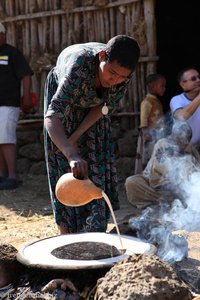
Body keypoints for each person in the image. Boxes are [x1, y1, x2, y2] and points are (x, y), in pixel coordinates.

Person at [44, 35, 140, 234]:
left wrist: (76, 135)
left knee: (96, 167)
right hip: (64, 109)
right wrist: (71, 152)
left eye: (122, 77)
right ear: (102, 56)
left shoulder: (122, 75)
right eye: (112, 73)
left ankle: (96, 233)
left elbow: (103, 107)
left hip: (94, 112)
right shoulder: (78, 67)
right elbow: (52, 116)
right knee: (66, 168)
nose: (115, 81)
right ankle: (66, 236)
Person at [125, 120, 200, 209]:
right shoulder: (163, 144)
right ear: (173, 137)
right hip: (157, 189)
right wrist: (175, 189)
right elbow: (156, 175)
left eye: (186, 141)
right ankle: (167, 201)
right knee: (131, 182)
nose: (183, 145)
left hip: (182, 192)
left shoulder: (191, 151)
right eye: (180, 140)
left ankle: (170, 202)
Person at [0, 22, 33, 190]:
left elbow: (26, 75)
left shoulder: (12, 53)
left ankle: (13, 176)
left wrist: (26, 96)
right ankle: (2, 175)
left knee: (6, 138)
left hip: (8, 103)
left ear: (3, 34)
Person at [134, 73, 166, 174]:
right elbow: (143, 119)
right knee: (148, 156)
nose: (164, 88)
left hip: (156, 135)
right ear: (153, 86)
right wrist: (145, 133)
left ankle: (154, 176)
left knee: (156, 156)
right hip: (149, 136)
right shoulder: (147, 102)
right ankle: (146, 177)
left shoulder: (156, 101)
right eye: (162, 86)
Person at [170, 67, 200, 150]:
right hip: (185, 151)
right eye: (193, 79)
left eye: (199, 77)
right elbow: (181, 116)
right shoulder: (176, 100)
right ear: (183, 84)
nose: (198, 80)